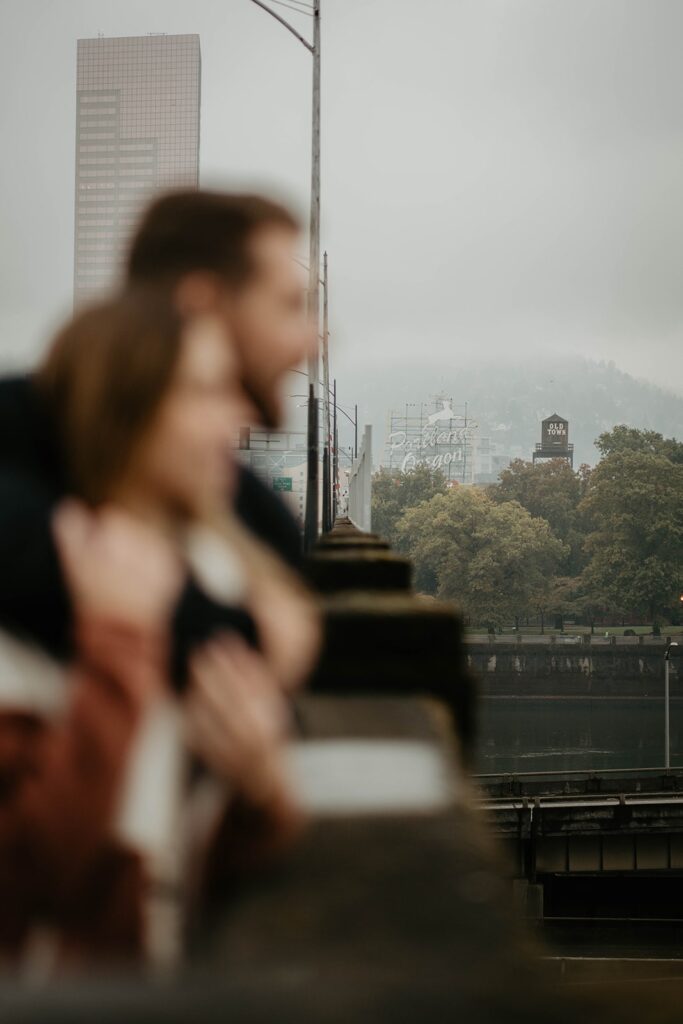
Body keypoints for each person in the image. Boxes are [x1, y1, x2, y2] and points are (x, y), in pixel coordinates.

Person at [0, 289, 319, 970]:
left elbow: (186, 848)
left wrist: (262, 794)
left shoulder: (214, 582)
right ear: (125, 412)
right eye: (201, 392)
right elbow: (25, 875)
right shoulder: (31, 600)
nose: (234, 415)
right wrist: (116, 649)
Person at [0, 189, 315, 665]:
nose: (309, 339)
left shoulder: (256, 517)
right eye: (290, 304)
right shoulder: (17, 435)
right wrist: (248, 636)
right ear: (200, 303)